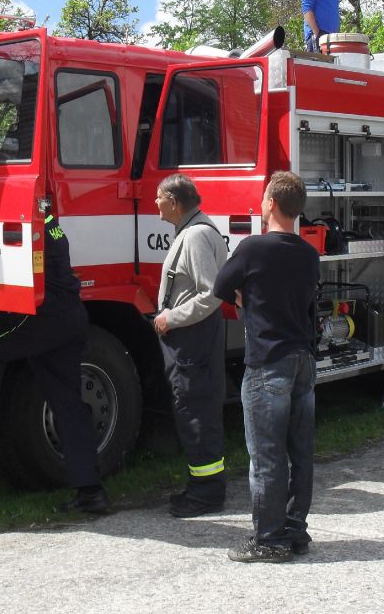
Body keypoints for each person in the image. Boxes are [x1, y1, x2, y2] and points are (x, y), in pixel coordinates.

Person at [0, 210, 109, 513]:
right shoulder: (50, 222)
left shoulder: (29, 224)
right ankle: (91, 492)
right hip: (70, 316)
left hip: (44, 317)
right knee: (69, 406)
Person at [213, 171, 320, 563]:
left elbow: (220, 286)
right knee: (300, 452)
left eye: (262, 199)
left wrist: (244, 299)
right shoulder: (308, 253)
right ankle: (295, 531)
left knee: (267, 455)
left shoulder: (252, 248)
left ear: (271, 203)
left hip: (268, 361)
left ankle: (269, 539)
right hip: (303, 359)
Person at [153, 174, 229, 518]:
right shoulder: (192, 230)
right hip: (192, 338)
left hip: (192, 339)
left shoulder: (196, 236)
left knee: (195, 411)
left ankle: (207, 494)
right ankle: (202, 487)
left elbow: (211, 294)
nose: (155, 203)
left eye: (159, 197)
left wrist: (171, 317)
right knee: (194, 410)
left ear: (175, 202)